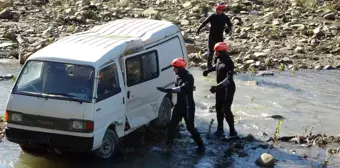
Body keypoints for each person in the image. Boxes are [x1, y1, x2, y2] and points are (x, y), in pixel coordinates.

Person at [157, 58, 205, 152]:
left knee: (190, 127)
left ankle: (201, 145)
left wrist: (169, 90)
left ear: (180, 68)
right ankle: (168, 147)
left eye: (175, 68)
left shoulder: (189, 77)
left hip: (188, 106)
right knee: (172, 126)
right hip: (179, 106)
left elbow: (184, 88)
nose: (173, 69)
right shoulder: (178, 77)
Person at [202, 42, 238, 138]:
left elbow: (229, 79)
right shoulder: (219, 59)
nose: (215, 53)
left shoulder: (229, 62)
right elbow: (216, 66)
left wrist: (218, 86)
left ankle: (232, 132)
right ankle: (220, 129)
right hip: (220, 88)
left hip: (228, 88)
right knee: (218, 108)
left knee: (226, 109)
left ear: (221, 52)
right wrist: (208, 70)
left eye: (216, 51)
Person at [196, 2, 233, 68]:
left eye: (220, 10)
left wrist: (229, 29)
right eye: (218, 10)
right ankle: (209, 66)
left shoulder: (225, 17)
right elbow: (204, 22)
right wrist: (199, 29)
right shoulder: (213, 16)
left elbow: (230, 25)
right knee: (211, 52)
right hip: (212, 37)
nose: (219, 11)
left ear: (222, 10)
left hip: (220, 37)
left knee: (221, 52)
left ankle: (218, 65)